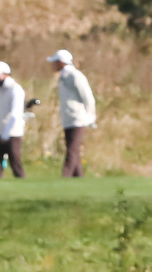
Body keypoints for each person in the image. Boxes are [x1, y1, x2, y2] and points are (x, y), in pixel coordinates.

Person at [47, 49, 96, 178]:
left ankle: (65, 177)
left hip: (78, 119)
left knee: (72, 151)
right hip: (68, 119)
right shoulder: (63, 77)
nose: (53, 65)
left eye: (55, 62)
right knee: (73, 151)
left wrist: (90, 116)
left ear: (61, 62)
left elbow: (88, 97)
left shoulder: (75, 75)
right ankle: (79, 178)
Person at [0, 61, 25, 178]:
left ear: (6, 74)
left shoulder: (16, 89)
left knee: (15, 161)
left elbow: (15, 113)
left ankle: (23, 184)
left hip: (12, 132)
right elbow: (1, 108)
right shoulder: (1, 90)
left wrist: (6, 133)